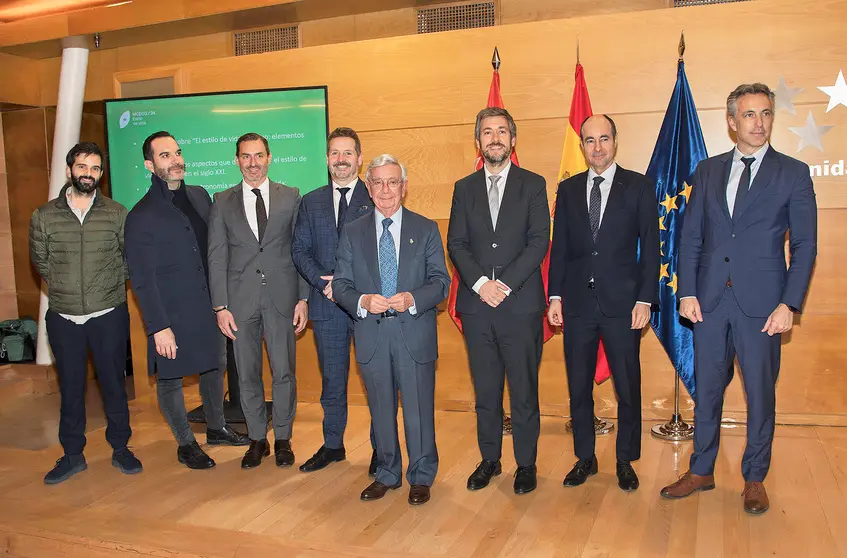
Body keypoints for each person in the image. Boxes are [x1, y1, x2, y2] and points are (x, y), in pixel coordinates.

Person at [660, 83, 817, 514]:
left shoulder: (793, 173)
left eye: (765, 114)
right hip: (709, 302)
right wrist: (687, 292)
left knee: (760, 393)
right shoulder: (707, 171)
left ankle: (754, 477)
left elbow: (804, 246)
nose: (759, 123)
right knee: (706, 389)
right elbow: (690, 238)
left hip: (765, 305)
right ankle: (701, 470)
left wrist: (790, 304)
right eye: (749, 115)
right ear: (732, 122)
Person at [125, 131, 249, 470]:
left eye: (177, 153)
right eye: (165, 156)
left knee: (215, 365)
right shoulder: (141, 216)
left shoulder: (199, 196)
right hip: (171, 313)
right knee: (170, 377)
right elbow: (142, 279)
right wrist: (158, 327)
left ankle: (216, 427)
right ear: (150, 164)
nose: (176, 160)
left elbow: (214, 251)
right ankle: (185, 442)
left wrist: (222, 301)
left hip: (207, 306)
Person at [547, 114, 659, 492]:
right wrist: (555, 296)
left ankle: (625, 459)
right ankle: (585, 457)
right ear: (582, 146)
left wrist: (645, 299)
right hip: (577, 305)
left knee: (627, 387)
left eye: (604, 139)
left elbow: (652, 252)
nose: (597, 147)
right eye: (590, 140)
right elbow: (559, 247)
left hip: (623, 305)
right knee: (578, 386)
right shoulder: (568, 189)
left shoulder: (640, 187)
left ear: (615, 141)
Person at [333, 154, 449, 505]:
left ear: (404, 187)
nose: (386, 190)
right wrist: (364, 300)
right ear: (368, 188)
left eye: (393, 182)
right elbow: (341, 285)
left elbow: (440, 282)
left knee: (417, 411)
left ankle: (421, 475)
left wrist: (412, 297)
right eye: (378, 182)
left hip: (413, 332)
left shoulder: (425, 228)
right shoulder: (352, 232)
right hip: (372, 336)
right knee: (381, 410)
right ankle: (387, 473)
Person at [447, 107, 550, 495]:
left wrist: (502, 284)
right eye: (487, 132)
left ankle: (526, 464)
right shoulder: (463, 187)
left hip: (519, 306)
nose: (495, 138)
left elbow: (539, 240)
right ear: (478, 141)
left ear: (513, 139)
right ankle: (489, 459)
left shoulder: (533, 184)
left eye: (502, 131)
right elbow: (455, 242)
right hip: (477, 308)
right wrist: (478, 284)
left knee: (523, 391)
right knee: (486, 391)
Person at [30, 141, 142, 484]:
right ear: (69, 170)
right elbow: (40, 262)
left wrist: (105, 287)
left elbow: (128, 260)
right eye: (82, 167)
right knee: (72, 388)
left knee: (113, 385)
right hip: (63, 318)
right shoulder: (44, 215)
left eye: (95, 168)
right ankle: (72, 455)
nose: (88, 174)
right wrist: (67, 288)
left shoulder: (117, 213)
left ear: (101, 174)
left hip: (107, 313)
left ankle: (121, 448)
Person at [208, 132, 309, 469]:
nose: (253, 163)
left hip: (282, 299)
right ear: (237, 160)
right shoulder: (221, 201)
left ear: (269, 157)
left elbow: (300, 250)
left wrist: (303, 299)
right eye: (245, 156)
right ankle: (256, 439)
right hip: (240, 303)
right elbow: (217, 257)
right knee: (247, 375)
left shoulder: (290, 197)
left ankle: (282, 438)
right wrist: (220, 306)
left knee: (284, 372)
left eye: (258, 156)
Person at [292, 127, 378, 476]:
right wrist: (322, 282)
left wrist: (347, 285)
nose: (340, 159)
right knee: (332, 381)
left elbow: (381, 249)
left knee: (375, 379)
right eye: (334, 153)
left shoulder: (375, 196)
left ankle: (381, 449)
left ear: (359, 158)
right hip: (326, 305)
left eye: (347, 153)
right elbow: (299, 249)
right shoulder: (310, 201)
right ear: (327, 159)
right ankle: (332, 445)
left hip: (366, 305)